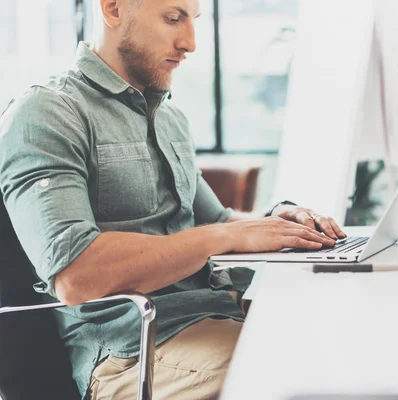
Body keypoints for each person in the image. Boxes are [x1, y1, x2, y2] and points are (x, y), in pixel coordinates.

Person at [0, 0, 346, 398]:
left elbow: (215, 220)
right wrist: (220, 236)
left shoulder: (169, 118)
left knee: (348, 342)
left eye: (193, 20)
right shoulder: (47, 113)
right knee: (311, 378)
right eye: (173, 18)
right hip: (131, 353)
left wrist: (276, 219)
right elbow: (76, 276)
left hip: (217, 315)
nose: (190, 43)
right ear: (112, 8)